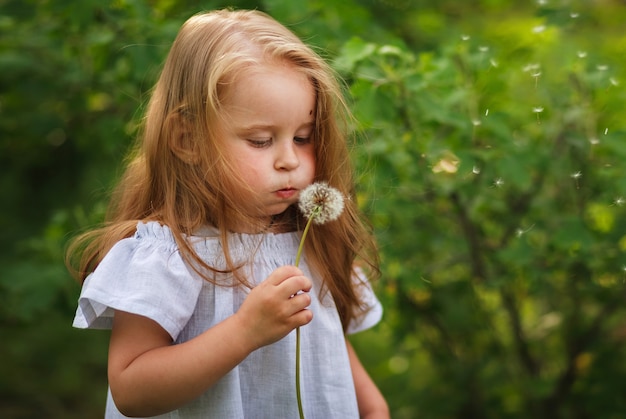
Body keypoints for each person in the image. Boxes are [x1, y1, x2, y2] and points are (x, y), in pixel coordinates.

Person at [67, 8, 389, 419]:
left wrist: (373, 408)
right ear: (187, 140)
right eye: (260, 140)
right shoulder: (167, 255)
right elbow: (131, 388)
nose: (289, 160)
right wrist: (245, 332)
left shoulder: (309, 242)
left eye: (303, 137)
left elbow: (325, 348)